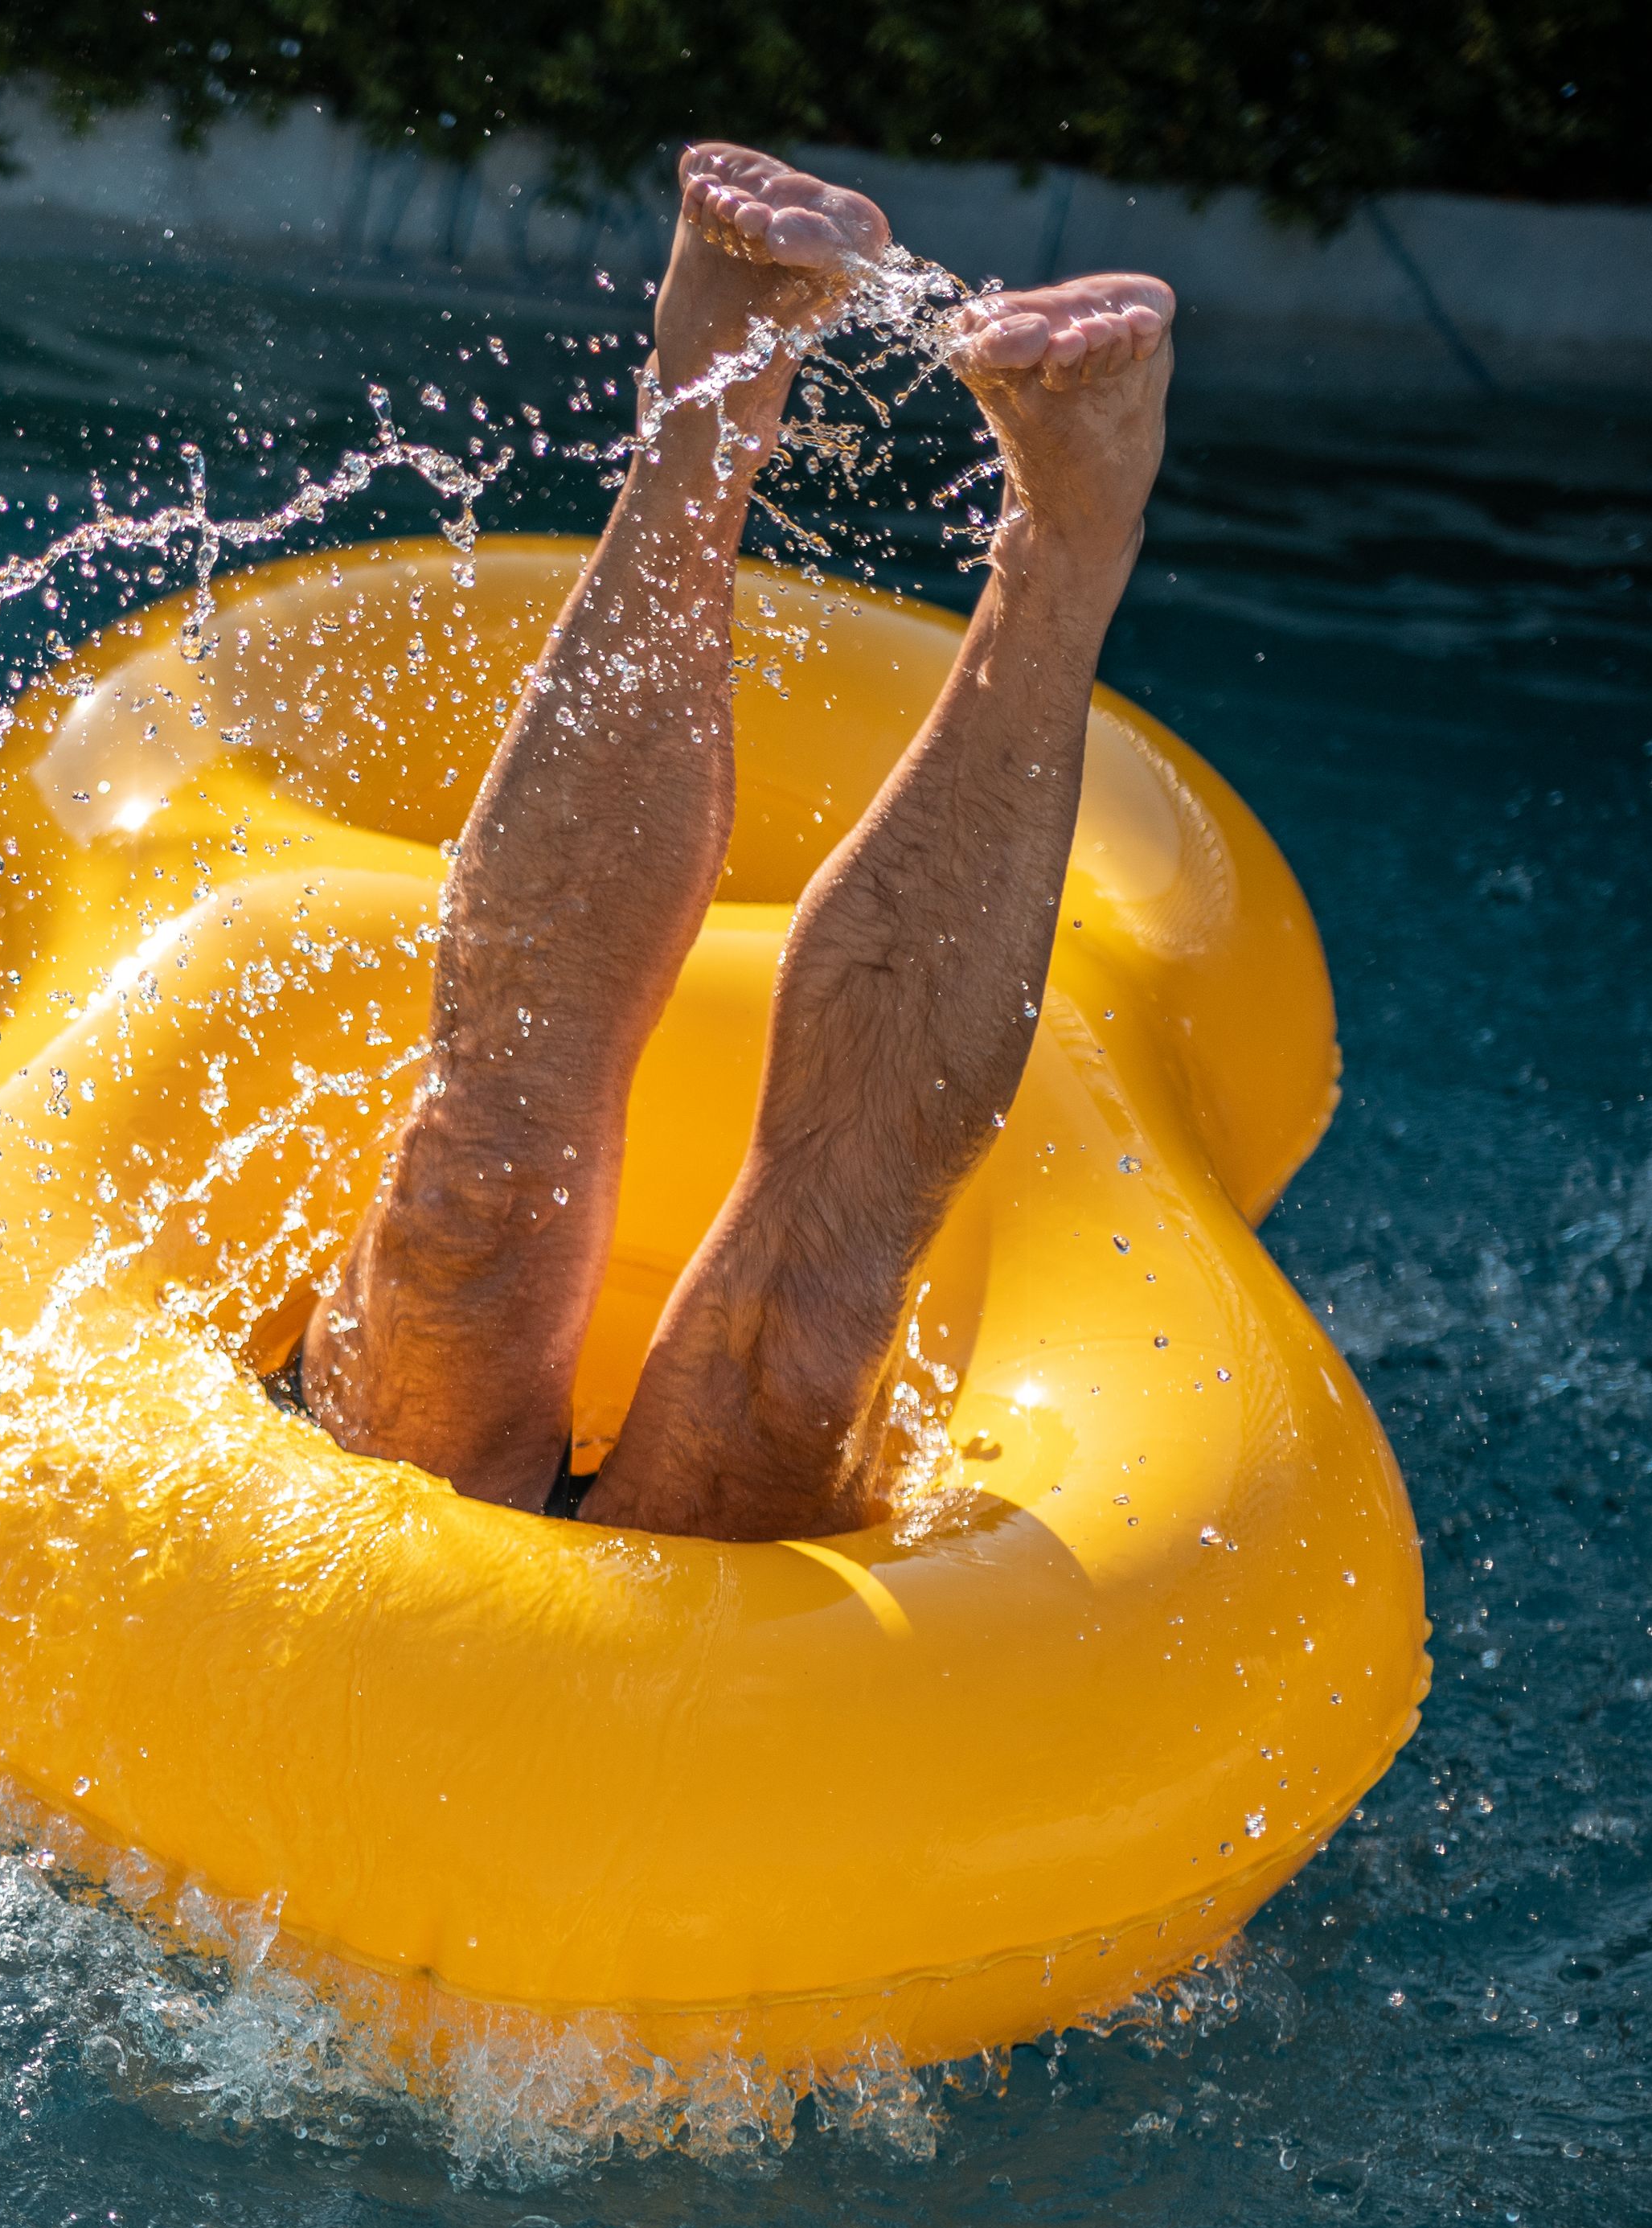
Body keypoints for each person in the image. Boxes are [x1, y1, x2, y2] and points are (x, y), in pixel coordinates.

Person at [297, 143, 1180, 1545]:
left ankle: (1059, 551)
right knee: (473, 1208)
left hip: (679, 1679)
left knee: (799, 1344)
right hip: (407, 1647)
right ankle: (713, 408)